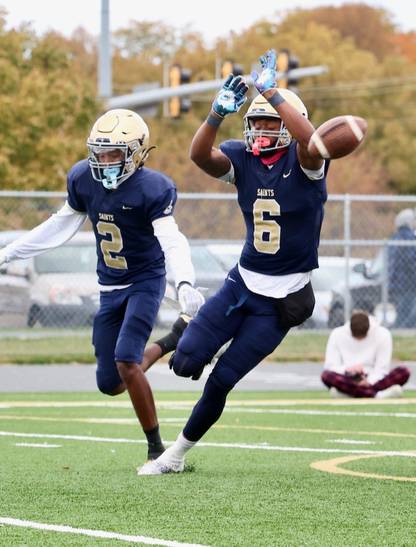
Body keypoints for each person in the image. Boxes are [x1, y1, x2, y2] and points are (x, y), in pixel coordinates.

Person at [0, 109, 205, 472]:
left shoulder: (153, 188)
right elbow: (59, 226)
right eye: (99, 153)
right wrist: (9, 253)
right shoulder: (84, 179)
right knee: (111, 383)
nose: (104, 162)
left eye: (114, 154)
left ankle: (158, 451)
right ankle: (173, 339)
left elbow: (172, 240)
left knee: (126, 362)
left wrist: (183, 282)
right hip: (109, 285)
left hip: (145, 282)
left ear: (138, 153)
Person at [142, 49, 332, 475]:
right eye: (257, 121)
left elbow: (313, 140)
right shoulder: (243, 159)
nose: (262, 130)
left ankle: (175, 456)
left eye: (271, 122)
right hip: (241, 285)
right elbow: (199, 156)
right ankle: (186, 332)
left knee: (221, 380)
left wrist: (270, 92)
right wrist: (213, 114)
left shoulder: (305, 161)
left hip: (281, 301)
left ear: (287, 123)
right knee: (185, 364)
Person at [322, 310, 410, 398]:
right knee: (326, 376)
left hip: (374, 378)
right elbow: (330, 366)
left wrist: (369, 382)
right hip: (348, 378)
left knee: (404, 371)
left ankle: (349, 394)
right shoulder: (337, 334)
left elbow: (382, 369)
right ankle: (377, 395)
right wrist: (347, 370)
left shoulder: (383, 334)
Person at [386, 209, 416, 328]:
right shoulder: (408, 237)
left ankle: (399, 329)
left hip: (397, 282)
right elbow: (411, 260)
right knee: (406, 311)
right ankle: (400, 330)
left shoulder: (395, 237)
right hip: (408, 283)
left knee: (404, 310)